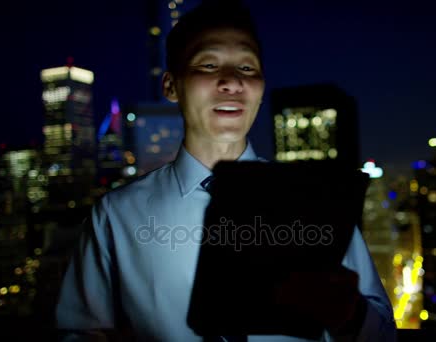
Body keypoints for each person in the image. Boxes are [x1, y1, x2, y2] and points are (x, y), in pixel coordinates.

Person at [55, 1, 396, 341]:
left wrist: (348, 312)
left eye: (248, 68)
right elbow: (82, 332)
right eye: (208, 64)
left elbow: (383, 332)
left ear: (261, 90)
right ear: (171, 86)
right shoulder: (117, 216)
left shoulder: (315, 202)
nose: (232, 81)